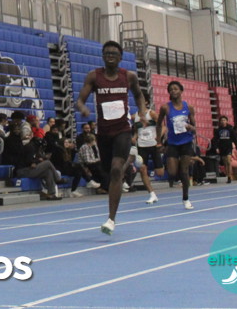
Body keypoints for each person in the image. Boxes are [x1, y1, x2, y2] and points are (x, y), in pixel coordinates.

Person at [77, 40, 145, 235]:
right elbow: (80, 100)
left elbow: (139, 95)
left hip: (123, 129)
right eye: (107, 53)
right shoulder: (94, 76)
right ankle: (126, 165)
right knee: (108, 170)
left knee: (115, 170)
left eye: (114, 53)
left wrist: (142, 112)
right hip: (103, 133)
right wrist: (83, 108)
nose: (110, 56)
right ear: (102, 56)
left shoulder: (128, 76)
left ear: (120, 57)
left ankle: (111, 219)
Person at [156, 80, 197, 210]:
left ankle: (186, 198)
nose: (173, 91)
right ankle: (180, 165)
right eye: (171, 89)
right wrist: (158, 140)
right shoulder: (165, 108)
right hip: (172, 143)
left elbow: (194, 128)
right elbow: (158, 124)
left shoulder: (188, 107)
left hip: (186, 142)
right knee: (172, 172)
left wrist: (190, 127)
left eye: (175, 89)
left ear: (181, 91)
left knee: (184, 171)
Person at [134, 101, 162, 204]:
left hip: (153, 144)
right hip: (142, 146)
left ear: (146, 102)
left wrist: (158, 139)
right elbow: (136, 131)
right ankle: (152, 194)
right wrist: (134, 138)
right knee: (142, 169)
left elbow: (162, 126)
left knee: (160, 173)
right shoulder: (135, 116)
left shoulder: (152, 113)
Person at [214, 116, 237, 183]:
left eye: (224, 120)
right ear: (220, 122)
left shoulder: (230, 129)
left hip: (228, 146)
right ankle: (227, 175)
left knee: (228, 161)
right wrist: (216, 147)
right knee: (225, 162)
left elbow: (234, 138)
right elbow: (215, 140)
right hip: (222, 147)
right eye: (222, 120)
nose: (223, 121)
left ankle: (230, 176)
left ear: (226, 121)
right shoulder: (218, 130)